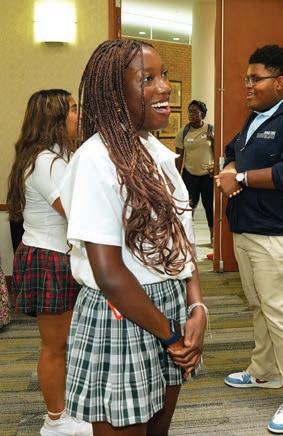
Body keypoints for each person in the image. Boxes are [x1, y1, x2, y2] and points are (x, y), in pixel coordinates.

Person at [59, 39, 207, 435]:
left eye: (164, 76)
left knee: (158, 430)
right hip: (123, 314)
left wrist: (197, 306)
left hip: (170, 305)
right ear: (114, 93)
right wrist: (170, 334)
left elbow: (182, 242)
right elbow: (108, 274)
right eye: (148, 79)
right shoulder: (95, 160)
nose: (165, 87)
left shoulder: (156, 153)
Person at [216, 44, 283, 434]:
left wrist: (240, 178)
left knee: (282, 313)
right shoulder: (257, 117)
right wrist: (230, 169)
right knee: (259, 306)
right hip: (247, 228)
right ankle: (264, 371)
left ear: (280, 82)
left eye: (255, 78)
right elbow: (232, 151)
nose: (247, 85)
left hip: (280, 234)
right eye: (246, 78)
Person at [6, 89, 92, 435]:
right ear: (54, 118)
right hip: (49, 258)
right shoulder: (46, 162)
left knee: (66, 342)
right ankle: (55, 421)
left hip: (56, 255)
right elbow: (77, 212)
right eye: (72, 109)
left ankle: (65, 410)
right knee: (55, 346)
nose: (78, 114)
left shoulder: (59, 156)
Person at [175, 100, 215, 240]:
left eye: (194, 112)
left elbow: (218, 152)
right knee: (188, 206)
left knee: (209, 206)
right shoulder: (183, 132)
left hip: (207, 175)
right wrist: (176, 176)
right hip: (189, 174)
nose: (191, 114)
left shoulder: (210, 129)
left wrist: (216, 168)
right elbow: (179, 156)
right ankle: (187, 236)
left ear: (202, 114)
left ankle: (213, 237)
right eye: (189, 112)